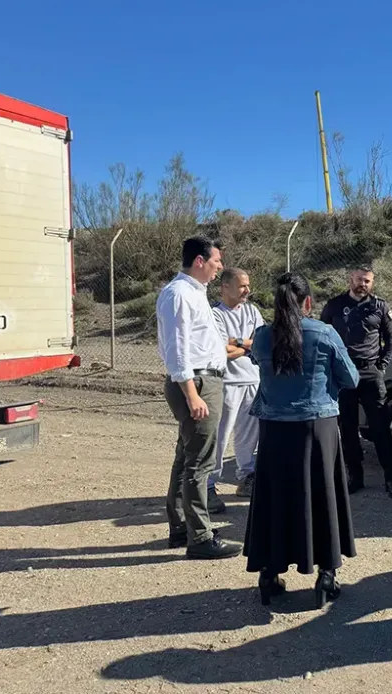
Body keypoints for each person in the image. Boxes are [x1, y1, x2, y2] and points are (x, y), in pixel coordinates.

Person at [243, 273, 360, 608]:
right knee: (323, 495)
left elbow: (257, 362)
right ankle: (326, 574)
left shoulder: (263, 337)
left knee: (274, 497)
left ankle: (269, 572)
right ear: (308, 303)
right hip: (316, 427)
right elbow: (350, 378)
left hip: (274, 428)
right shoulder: (324, 334)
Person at [156, 236, 241, 560]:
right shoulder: (179, 294)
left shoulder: (194, 293)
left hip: (203, 380)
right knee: (199, 463)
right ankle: (200, 538)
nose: (221, 266)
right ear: (200, 261)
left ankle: (183, 527)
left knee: (187, 457)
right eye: (217, 260)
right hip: (198, 383)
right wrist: (192, 394)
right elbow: (178, 351)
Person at [320, 265, 392, 499]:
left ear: (371, 283)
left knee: (380, 428)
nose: (362, 284)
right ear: (350, 279)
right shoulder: (334, 305)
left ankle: (391, 479)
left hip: (370, 373)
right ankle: (355, 477)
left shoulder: (380, 306)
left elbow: (391, 337)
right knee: (347, 428)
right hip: (343, 374)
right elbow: (323, 334)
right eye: (359, 280)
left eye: (367, 281)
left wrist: (383, 364)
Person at [209, 267, 265, 508]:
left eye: (248, 285)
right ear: (225, 287)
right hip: (227, 383)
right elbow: (220, 349)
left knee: (249, 435)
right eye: (242, 285)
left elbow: (262, 342)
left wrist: (237, 343)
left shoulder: (252, 311)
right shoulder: (215, 314)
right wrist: (248, 347)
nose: (247, 290)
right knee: (220, 436)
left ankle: (246, 478)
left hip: (253, 380)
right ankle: (209, 484)